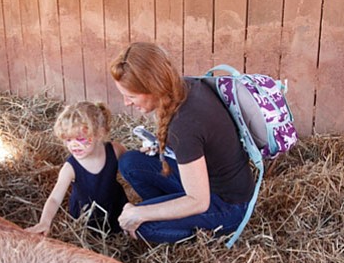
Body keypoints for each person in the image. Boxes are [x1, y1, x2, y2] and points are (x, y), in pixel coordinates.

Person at [109, 42, 254, 243]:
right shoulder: (184, 86)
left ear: (153, 87)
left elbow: (199, 201)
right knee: (130, 163)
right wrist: (163, 148)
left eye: (131, 96)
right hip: (209, 181)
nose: (126, 103)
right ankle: (168, 212)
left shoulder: (184, 125)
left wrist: (140, 214)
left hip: (228, 205)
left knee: (144, 227)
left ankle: (198, 231)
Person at [26, 101, 128, 236]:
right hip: (86, 219)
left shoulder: (115, 150)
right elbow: (55, 198)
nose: (74, 145)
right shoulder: (70, 168)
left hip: (116, 208)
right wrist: (45, 222)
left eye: (80, 138)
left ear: (99, 133)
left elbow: (131, 167)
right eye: (68, 140)